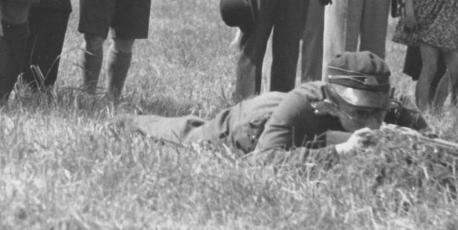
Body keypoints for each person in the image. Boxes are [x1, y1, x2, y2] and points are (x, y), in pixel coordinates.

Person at [132, 51, 425, 159]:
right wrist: (340, 151)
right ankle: (126, 120)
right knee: (185, 135)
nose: (373, 123)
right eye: (360, 113)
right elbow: (261, 162)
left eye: (378, 112)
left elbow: (436, 147)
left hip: (284, 118)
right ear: (331, 105)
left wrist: (413, 142)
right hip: (252, 124)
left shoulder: (396, 108)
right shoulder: (304, 103)